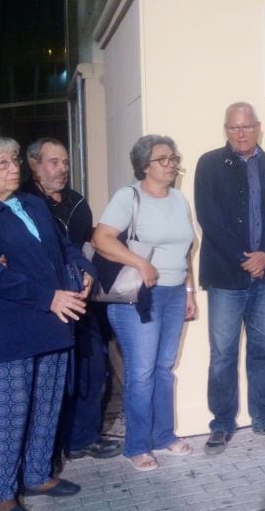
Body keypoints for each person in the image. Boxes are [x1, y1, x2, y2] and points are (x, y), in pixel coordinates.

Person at [0, 137, 95, 510]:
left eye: (14, 160)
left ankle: (38, 475)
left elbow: (66, 247)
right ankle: (1, 494)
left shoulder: (33, 204)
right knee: (9, 414)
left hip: (56, 322)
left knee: (47, 405)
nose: (12, 168)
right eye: (1, 163)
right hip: (12, 329)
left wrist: (84, 271)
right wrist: (49, 297)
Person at [195, 102, 265, 454]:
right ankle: (222, 423)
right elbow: (209, 219)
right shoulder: (209, 164)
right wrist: (246, 260)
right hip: (227, 276)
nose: (240, 133)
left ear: (259, 127)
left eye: (246, 127)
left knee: (264, 350)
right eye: (233, 128)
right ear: (225, 130)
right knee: (223, 353)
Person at [92, 135, 197, 471]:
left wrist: (190, 292)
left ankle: (164, 435)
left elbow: (186, 250)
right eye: (163, 159)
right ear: (144, 166)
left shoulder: (180, 199)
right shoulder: (129, 197)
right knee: (141, 372)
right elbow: (101, 239)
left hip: (174, 294)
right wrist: (141, 263)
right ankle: (137, 445)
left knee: (164, 368)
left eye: (173, 157)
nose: (171, 164)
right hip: (139, 297)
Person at [22, 137, 122, 460]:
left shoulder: (78, 203)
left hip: (81, 301)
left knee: (93, 366)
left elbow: (81, 248)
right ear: (34, 165)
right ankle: (47, 446)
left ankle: (82, 438)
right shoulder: (22, 203)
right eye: (54, 162)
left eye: (65, 162)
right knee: (48, 378)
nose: (62, 169)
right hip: (43, 304)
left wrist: (88, 270)